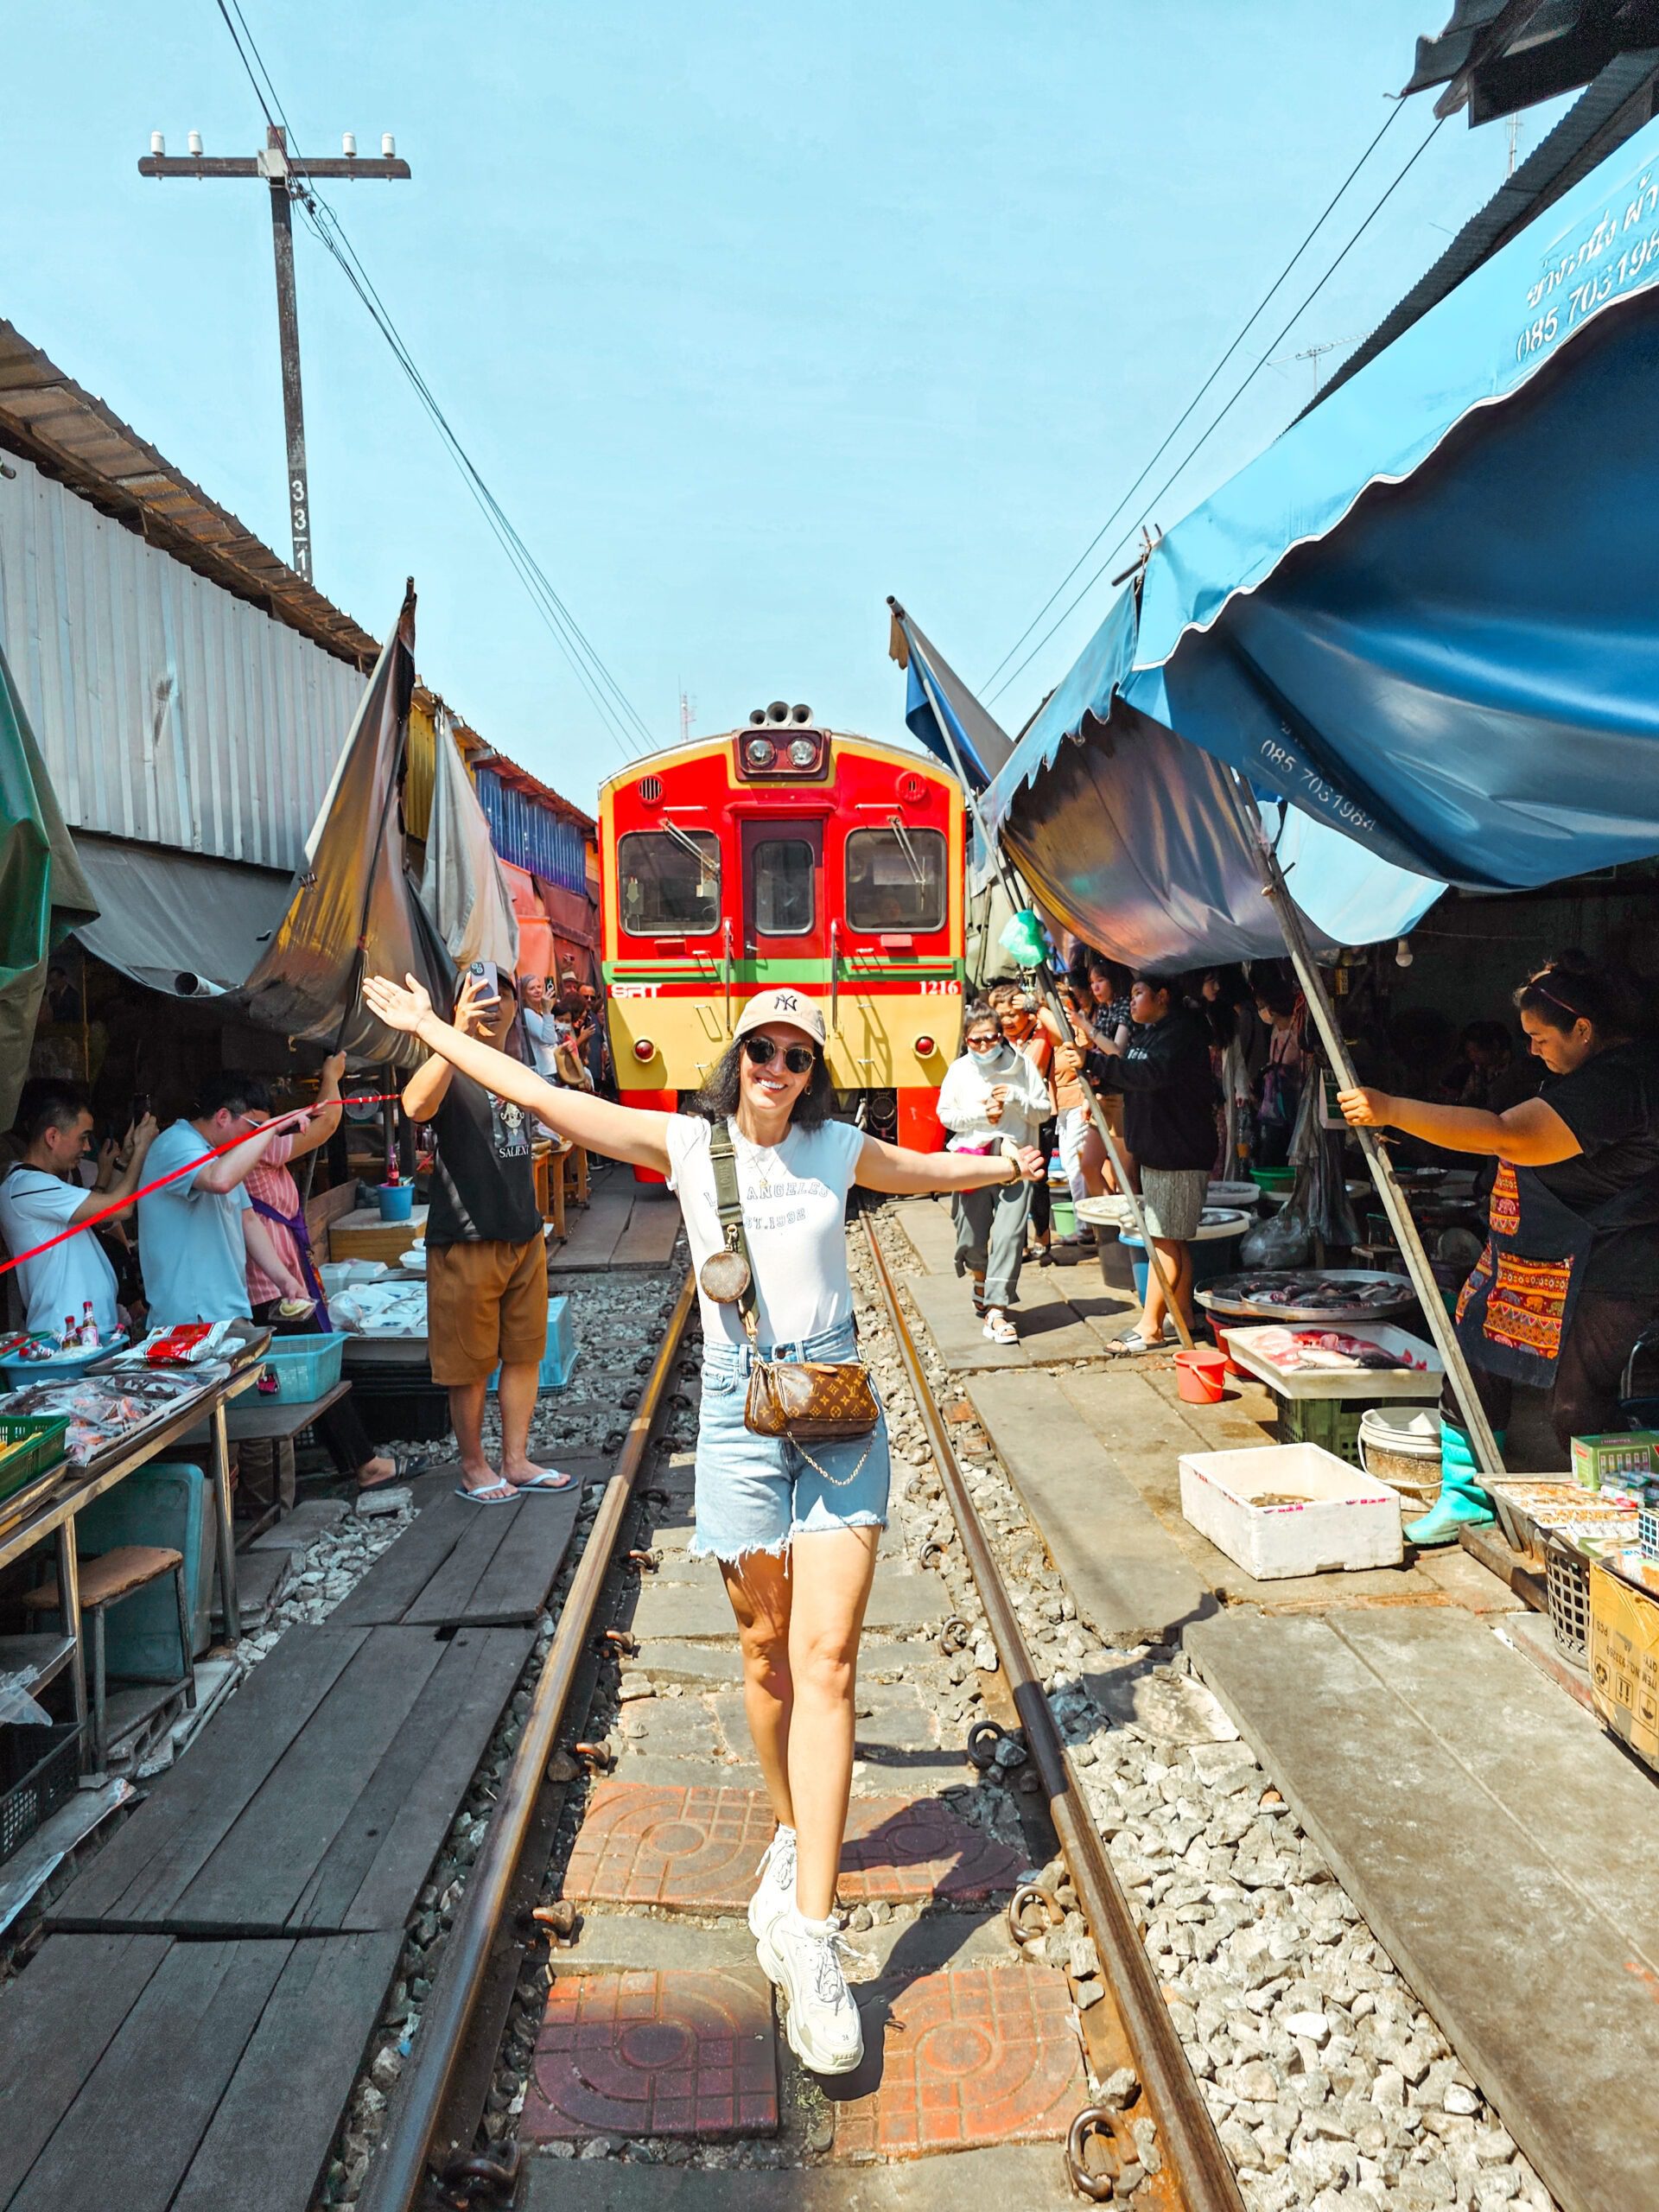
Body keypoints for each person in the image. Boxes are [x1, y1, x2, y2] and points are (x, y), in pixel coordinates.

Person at [362, 970, 1042, 2076]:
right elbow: (540, 1098)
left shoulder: (839, 1149)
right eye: (763, 1053)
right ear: (737, 1060)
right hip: (736, 1419)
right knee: (767, 1658)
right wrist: (436, 1029)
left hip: (834, 1408)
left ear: (817, 1074)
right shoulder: (684, 1144)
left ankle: (813, 1938)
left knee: (826, 1662)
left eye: (799, 1058)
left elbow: (921, 1168)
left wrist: (1007, 1160)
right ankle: (789, 1837)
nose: (778, 1072)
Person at [1340, 956, 1659, 1541]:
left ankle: (1626, 1525)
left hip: (1607, 1265)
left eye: (1541, 1038)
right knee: (1471, 1358)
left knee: (1576, 1405)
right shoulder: (1586, 1073)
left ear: (1583, 1030)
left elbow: (1509, 1133)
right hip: (1531, 1255)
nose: (1534, 1050)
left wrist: (1392, 1109)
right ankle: (1465, 1494)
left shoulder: (1622, 1081)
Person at [403, 969, 567, 1504]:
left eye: (504, 998)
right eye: (480, 998)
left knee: (523, 1353)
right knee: (469, 1364)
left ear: (518, 1008)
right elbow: (414, 1106)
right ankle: (474, 1467)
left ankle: (515, 1461)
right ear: (459, 1004)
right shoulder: (446, 1068)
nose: (493, 1007)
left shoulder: (516, 1070)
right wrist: (451, 1037)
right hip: (467, 1239)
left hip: (523, 1232)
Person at [243, 1053, 401, 1492]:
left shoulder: (251, 1148)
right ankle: (364, 1465)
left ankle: (349, 1461)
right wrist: (331, 1077)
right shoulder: (253, 1149)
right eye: (258, 1122)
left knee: (316, 1374)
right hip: (272, 1288)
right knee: (321, 1373)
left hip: (281, 1280)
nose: (265, 1129)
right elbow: (328, 1126)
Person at [1092, 972, 1217, 1354]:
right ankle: (1184, 1316)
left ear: (1163, 996)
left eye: (1139, 993)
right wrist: (1097, 1074)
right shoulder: (1148, 1033)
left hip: (1178, 1151)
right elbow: (1130, 1076)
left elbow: (1150, 1075)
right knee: (1172, 1236)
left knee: (1162, 1238)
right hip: (1156, 1150)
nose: (1132, 1001)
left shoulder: (1181, 1033)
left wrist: (1095, 1064)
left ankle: (1151, 1327)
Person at [138, 1075, 310, 1330]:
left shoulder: (218, 1155)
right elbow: (218, 1180)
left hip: (226, 1309)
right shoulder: (176, 1144)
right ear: (222, 1117)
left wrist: (285, 1280)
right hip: (192, 1315)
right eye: (255, 1129)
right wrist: (271, 1129)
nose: (260, 1140)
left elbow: (248, 1219)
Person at [0, 1083, 158, 1339]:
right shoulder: (27, 1186)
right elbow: (121, 1208)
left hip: (84, 1331)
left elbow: (101, 1212)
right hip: (66, 1336)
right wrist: (142, 1150)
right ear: (52, 1137)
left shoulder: (43, 1185)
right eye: (83, 1137)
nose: (87, 1148)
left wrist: (123, 1161)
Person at [936, 1002, 1052, 1342]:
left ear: (1001, 1036)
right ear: (966, 1040)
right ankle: (979, 1278)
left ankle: (997, 1310)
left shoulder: (1022, 1065)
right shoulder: (959, 1071)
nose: (985, 1046)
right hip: (972, 1162)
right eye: (976, 1041)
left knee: (1009, 1235)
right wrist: (979, 1116)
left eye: (991, 1038)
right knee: (971, 1233)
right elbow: (946, 1115)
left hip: (1015, 1161)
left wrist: (1017, 1097)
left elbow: (1043, 1112)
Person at [1000, 989, 1056, 1262]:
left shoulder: (1042, 1033)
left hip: (1039, 1116)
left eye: (1013, 1013)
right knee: (1011, 1179)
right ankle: (1018, 1242)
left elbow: (1061, 1027)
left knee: (1037, 1181)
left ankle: (1043, 1238)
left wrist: (1037, 1005)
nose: (1007, 1020)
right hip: (1008, 1121)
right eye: (1002, 1016)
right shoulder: (997, 1042)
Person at [1254, 977, 1306, 1169]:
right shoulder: (1276, 1029)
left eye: (1261, 1006)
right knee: (1270, 1154)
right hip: (1274, 1103)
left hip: (1295, 1100)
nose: (1261, 1011)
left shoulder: (1298, 1028)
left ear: (1273, 1007)